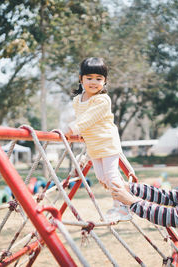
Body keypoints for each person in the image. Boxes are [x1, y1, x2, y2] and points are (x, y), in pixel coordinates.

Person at [65, 57, 131, 222]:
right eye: (89, 78)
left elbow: (87, 119)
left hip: (107, 142)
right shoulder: (77, 100)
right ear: (81, 79)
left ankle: (123, 207)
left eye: (99, 79)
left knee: (111, 175)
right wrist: (77, 133)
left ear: (105, 81)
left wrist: (71, 129)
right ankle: (127, 192)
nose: (94, 82)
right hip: (93, 145)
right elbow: (83, 119)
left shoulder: (103, 100)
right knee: (102, 178)